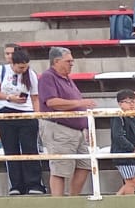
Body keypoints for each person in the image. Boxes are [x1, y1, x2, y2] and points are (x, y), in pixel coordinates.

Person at [36, 47, 94, 198]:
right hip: (59, 128)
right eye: (68, 61)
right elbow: (52, 102)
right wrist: (78, 103)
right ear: (56, 61)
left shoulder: (67, 79)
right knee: (60, 169)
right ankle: (58, 202)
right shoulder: (47, 77)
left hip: (76, 129)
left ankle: (72, 198)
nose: (71, 64)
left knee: (85, 164)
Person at [0, 47, 44, 196]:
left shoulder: (30, 74)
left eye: (25, 67)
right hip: (6, 112)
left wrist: (37, 114)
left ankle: (34, 183)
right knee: (11, 149)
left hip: (26, 113)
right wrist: (9, 98)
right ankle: (16, 185)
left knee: (30, 148)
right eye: (20, 67)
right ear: (13, 64)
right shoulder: (1, 70)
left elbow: (35, 97)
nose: (22, 70)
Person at [110, 90, 135, 195]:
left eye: (134, 101)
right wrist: (131, 148)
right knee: (131, 181)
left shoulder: (134, 117)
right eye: (128, 102)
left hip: (134, 155)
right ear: (120, 104)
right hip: (123, 155)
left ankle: (117, 198)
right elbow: (117, 136)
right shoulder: (119, 117)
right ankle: (129, 204)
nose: (132, 104)